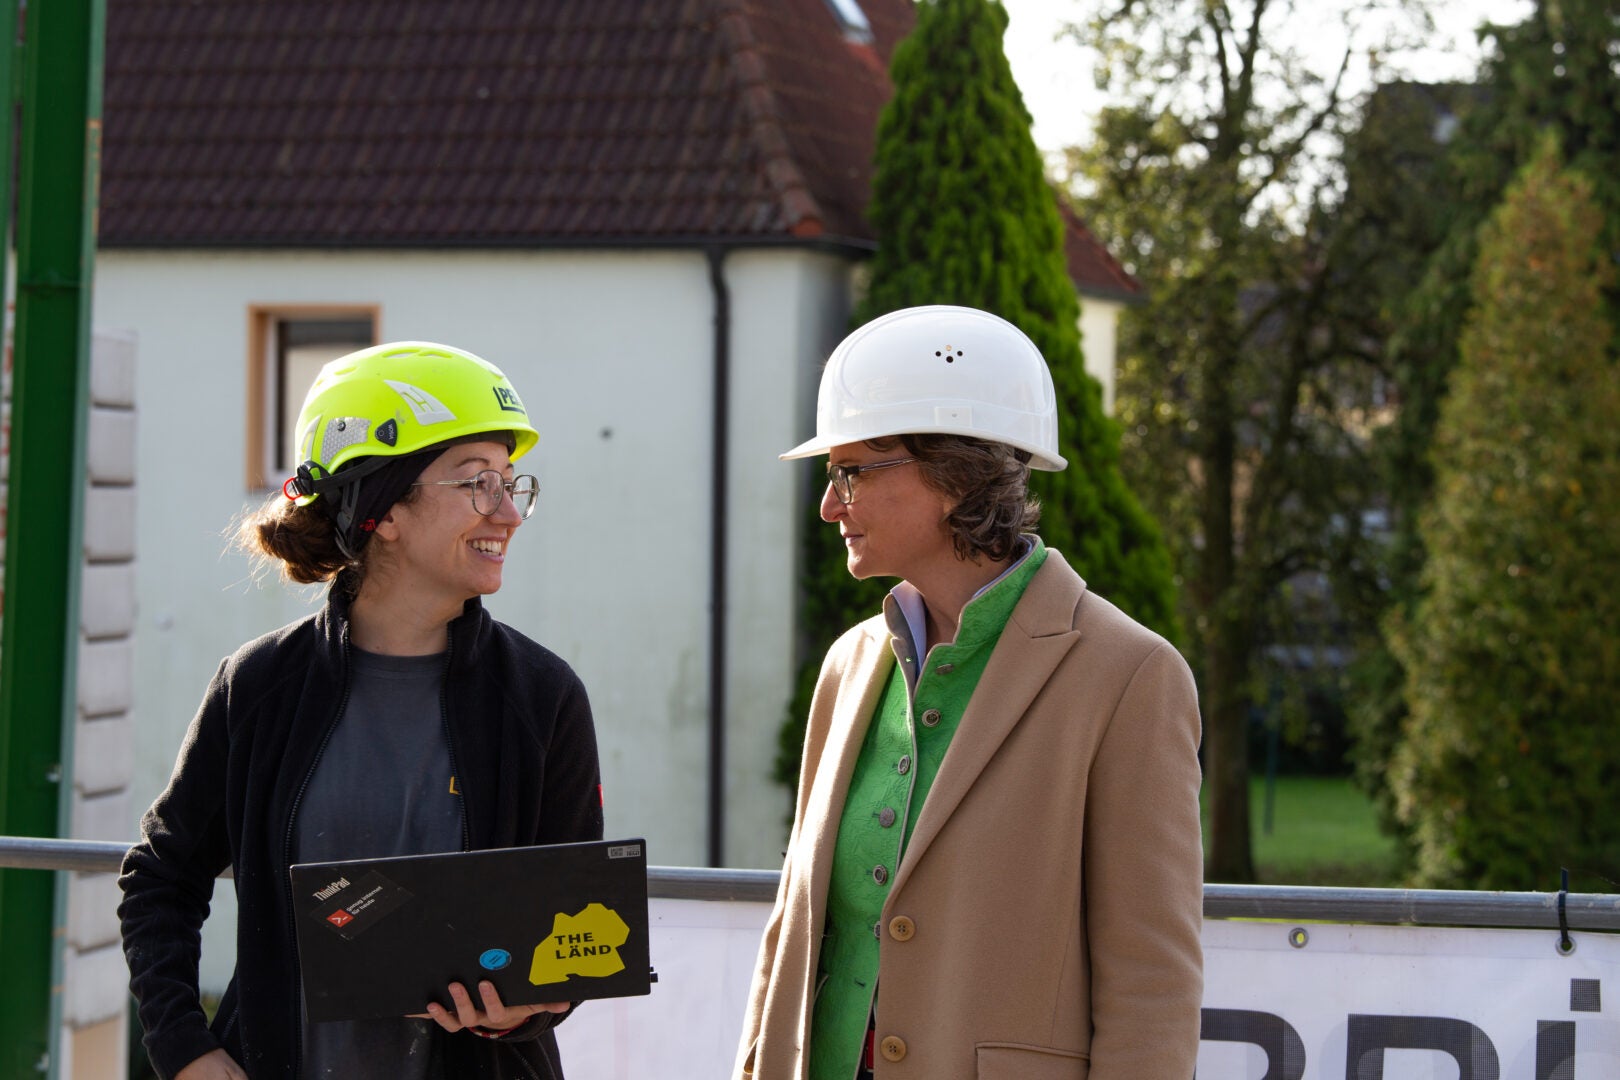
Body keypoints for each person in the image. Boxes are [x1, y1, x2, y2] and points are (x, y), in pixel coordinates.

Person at [734, 306, 1204, 1079]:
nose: (829, 505)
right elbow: (794, 932)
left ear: (955, 475)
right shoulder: (849, 664)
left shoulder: (1130, 677)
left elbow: (1151, 986)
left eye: (850, 471)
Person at [119, 342, 605, 1080]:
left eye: (512, 483)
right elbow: (160, 877)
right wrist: (185, 1046)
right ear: (383, 510)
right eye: (477, 483)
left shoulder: (543, 697)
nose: (508, 512)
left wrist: (534, 1005)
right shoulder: (256, 688)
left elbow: (577, 927)